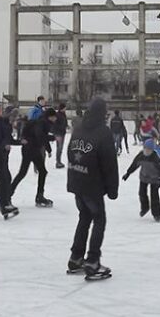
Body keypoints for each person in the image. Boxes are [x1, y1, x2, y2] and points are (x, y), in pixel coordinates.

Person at [66, 98, 118, 281]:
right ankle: (92, 261)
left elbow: (69, 152)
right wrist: (113, 188)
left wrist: (74, 173)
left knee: (84, 217)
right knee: (99, 219)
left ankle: (76, 257)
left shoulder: (79, 127)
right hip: (92, 184)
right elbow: (109, 162)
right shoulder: (103, 132)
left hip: (77, 181)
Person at [12, 108, 57, 207]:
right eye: (54, 117)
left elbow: (42, 136)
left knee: (41, 171)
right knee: (23, 173)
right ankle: (7, 195)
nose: (55, 120)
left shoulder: (41, 122)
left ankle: (39, 196)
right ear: (50, 117)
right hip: (30, 149)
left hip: (33, 148)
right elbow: (40, 135)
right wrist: (53, 139)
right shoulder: (42, 123)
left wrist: (48, 149)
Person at [122, 137, 160, 222]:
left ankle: (156, 214)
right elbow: (134, 165)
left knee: (154, 196)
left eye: (149, 150)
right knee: (141, 193)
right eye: (145, 149)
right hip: (144, 177)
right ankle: (145, 208)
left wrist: (159, 179)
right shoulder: (140, 156)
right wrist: (127, 174)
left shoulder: (155, 158)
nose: (147, 151)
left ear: (152, 150)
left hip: (154, 179)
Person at [53, 103, 69, 168]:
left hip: (62, 132)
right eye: (65, 108)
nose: (65, 109)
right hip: (58, 133)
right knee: (59, 147)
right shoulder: (57, 115)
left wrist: (66, 125)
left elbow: (64, 122)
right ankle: (58, 162)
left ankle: (59, 161)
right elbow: (55, 124)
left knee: (61, 147)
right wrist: (62, 127)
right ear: (62, 108)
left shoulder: (63, 114)